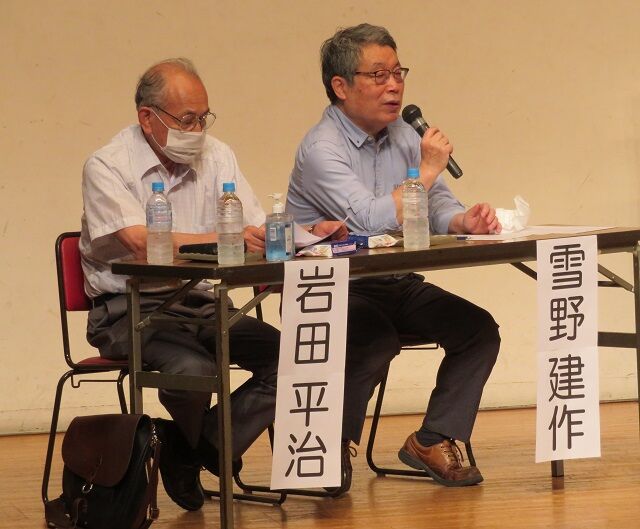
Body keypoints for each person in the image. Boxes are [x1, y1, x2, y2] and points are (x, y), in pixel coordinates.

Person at [80, 58, 345, 511]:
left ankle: (190, 449)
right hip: (129, 310)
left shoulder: (218, 155)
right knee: (195, 370)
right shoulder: (107, 165)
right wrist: (223, 239)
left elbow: (254, 228)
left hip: (203, 303)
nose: (198, 130)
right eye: (187, 119)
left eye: (204, 117)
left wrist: (303, 234)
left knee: (296, 356)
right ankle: (205, 446)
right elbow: (141, 243)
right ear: (147, 117)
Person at [286, 24, 502, 489]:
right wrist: (427, 170)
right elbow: (369, 219)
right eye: (379, 74)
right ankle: (331, 443)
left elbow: (436, 204)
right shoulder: (322, 148)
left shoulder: (403, 134)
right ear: (341, 86)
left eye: (398, 72)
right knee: (373, 339)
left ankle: (433, 438)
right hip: (329, 288)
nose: (394, 86)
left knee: (477, 329)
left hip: (392, 280)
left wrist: (464, 221)